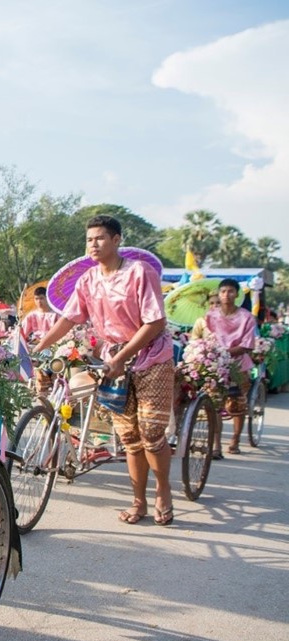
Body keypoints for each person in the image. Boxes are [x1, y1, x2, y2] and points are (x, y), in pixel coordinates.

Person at [35, 215, 174, 527]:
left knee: (151, 431)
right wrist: (39, 346)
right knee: (129, 438)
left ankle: (163, 491)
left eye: (99, 238)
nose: (92, 245)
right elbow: (69, 319)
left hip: (152, 357)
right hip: (114, 362)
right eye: (88, 240)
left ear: (116, 240)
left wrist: (123, 355)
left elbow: (156, 322)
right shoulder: (87, 280)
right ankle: (138, 501)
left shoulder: (140, 272)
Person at [197, 278, 256, 457]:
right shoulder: (211, 315)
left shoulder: (246, 317)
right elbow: (206, 338)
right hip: (215, 365)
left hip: (238, 365)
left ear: (237, 294)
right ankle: (216, 446)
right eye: (223, 291)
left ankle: (235, 440)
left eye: (230, 291)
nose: (226, 295)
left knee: (237, 406)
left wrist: (225, 353)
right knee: (214, 405)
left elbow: (247, 345)